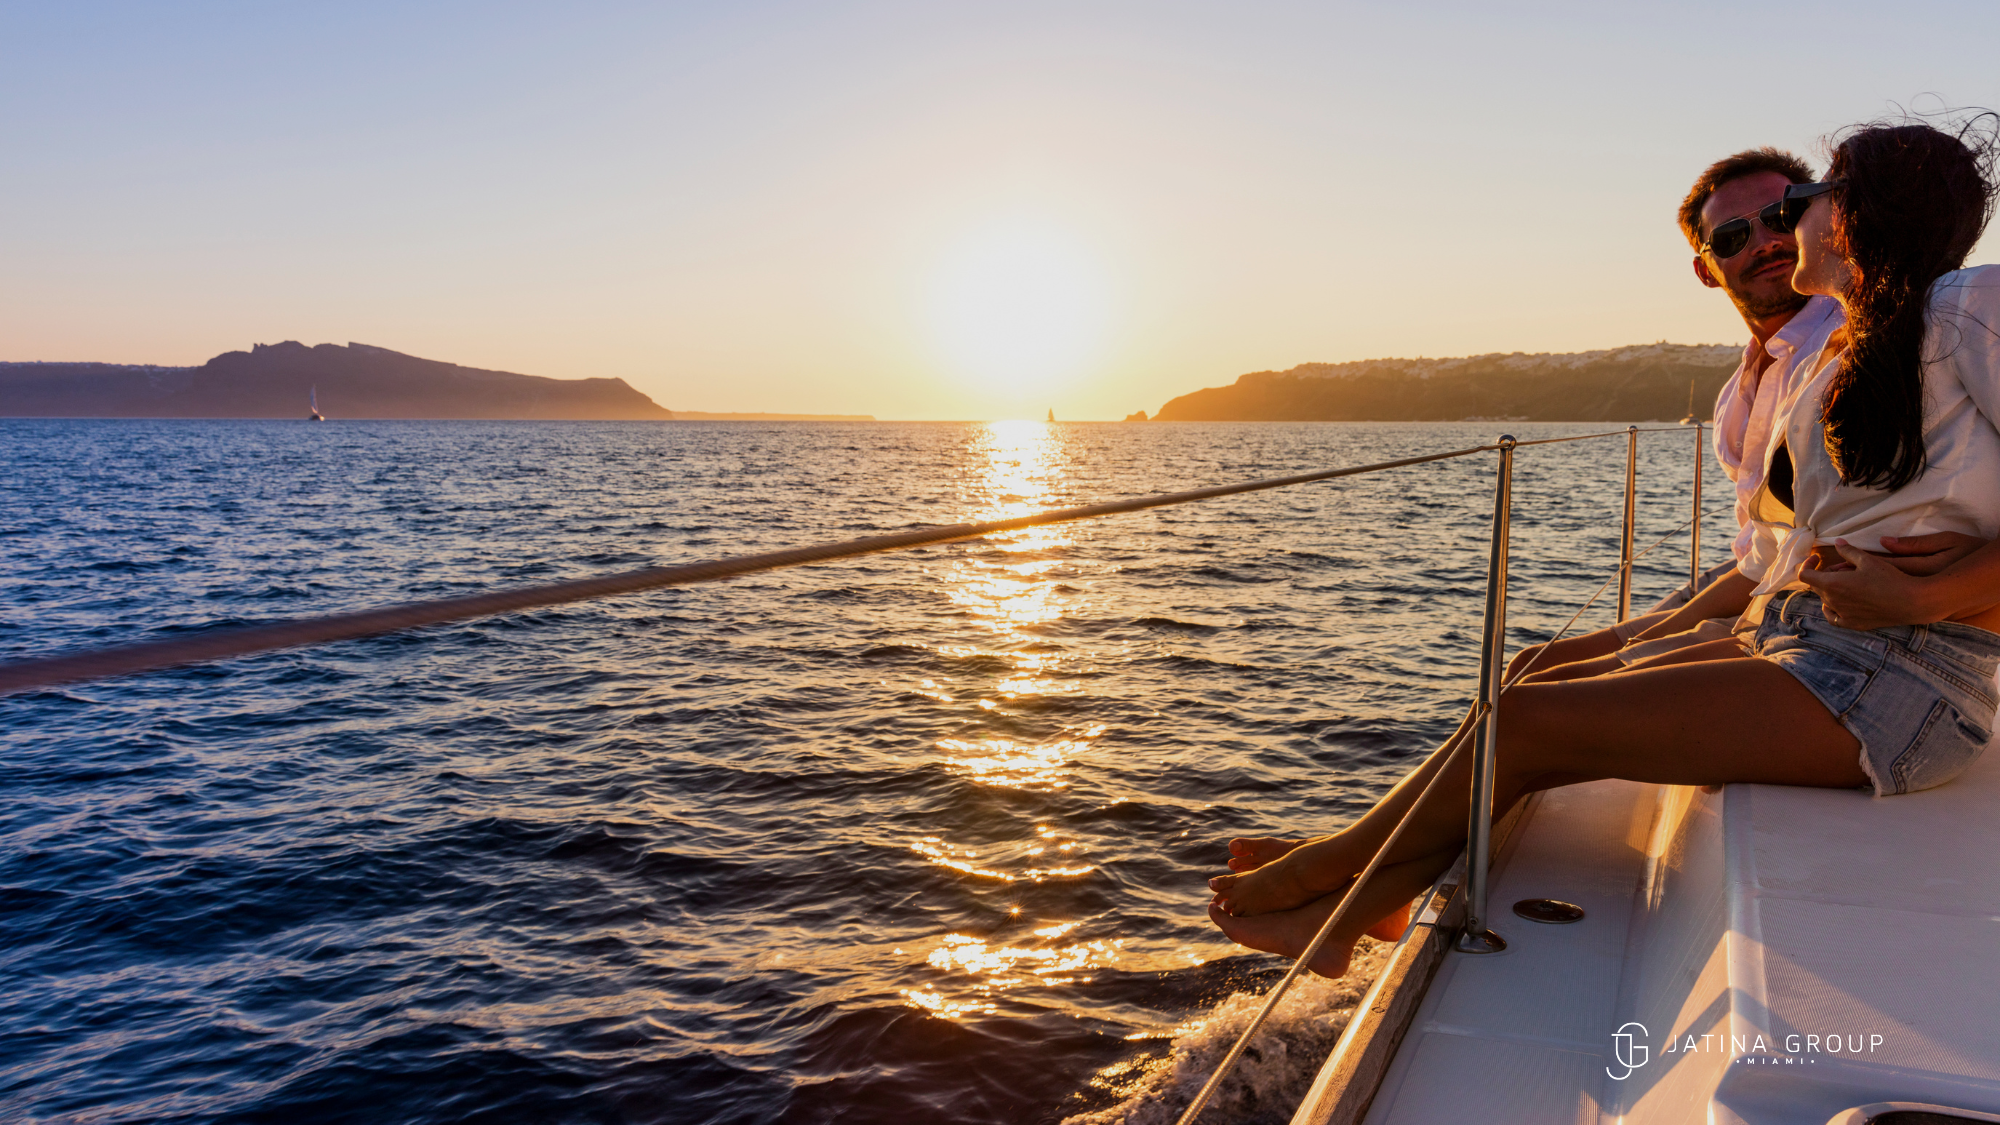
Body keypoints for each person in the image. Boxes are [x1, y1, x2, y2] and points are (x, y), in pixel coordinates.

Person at [1206, 115, 2000, 979]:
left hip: (1901, 680)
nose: (1785, 223)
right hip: (1816, 644)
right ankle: (1364, 901)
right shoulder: (1847, 352)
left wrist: (1929, 594)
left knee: (1527, 724)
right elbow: (1790, 547)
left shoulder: (1967, 305)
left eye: (1801, 200)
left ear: (1853, 213)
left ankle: (1324, 871)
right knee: (1526, 696)